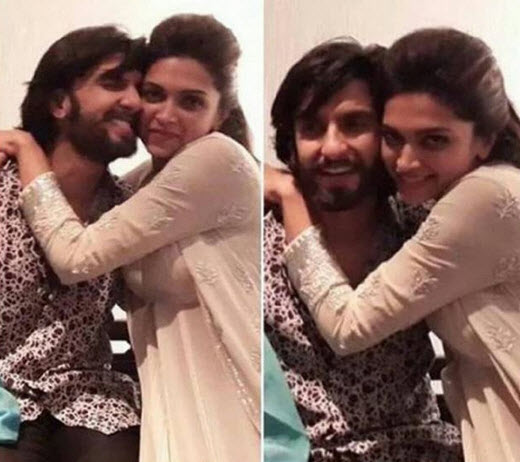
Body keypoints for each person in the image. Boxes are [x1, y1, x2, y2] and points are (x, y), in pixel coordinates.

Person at [1, 14, 260, 462]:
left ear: (220, 114)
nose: (141, 105)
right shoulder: (140, 191)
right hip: (22, 398)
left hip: (121, 400)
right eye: (151, 93)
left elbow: (76, 256)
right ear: (59, 103)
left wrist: (25, 145)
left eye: (191, 101)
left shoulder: (158, 186)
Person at [270, 28, 520, 462]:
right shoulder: (257, 242)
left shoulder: (436, 217)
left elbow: (348, 326)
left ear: (485, 139)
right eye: (311, 127)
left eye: (355, 125)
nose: (406, 161)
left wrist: (287, 193)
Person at [0, 25, 143, 462]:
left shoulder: (131, 211)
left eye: (139, 88)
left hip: (90, 398)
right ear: (60, 103)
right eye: (113, 82)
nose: (134, 101)